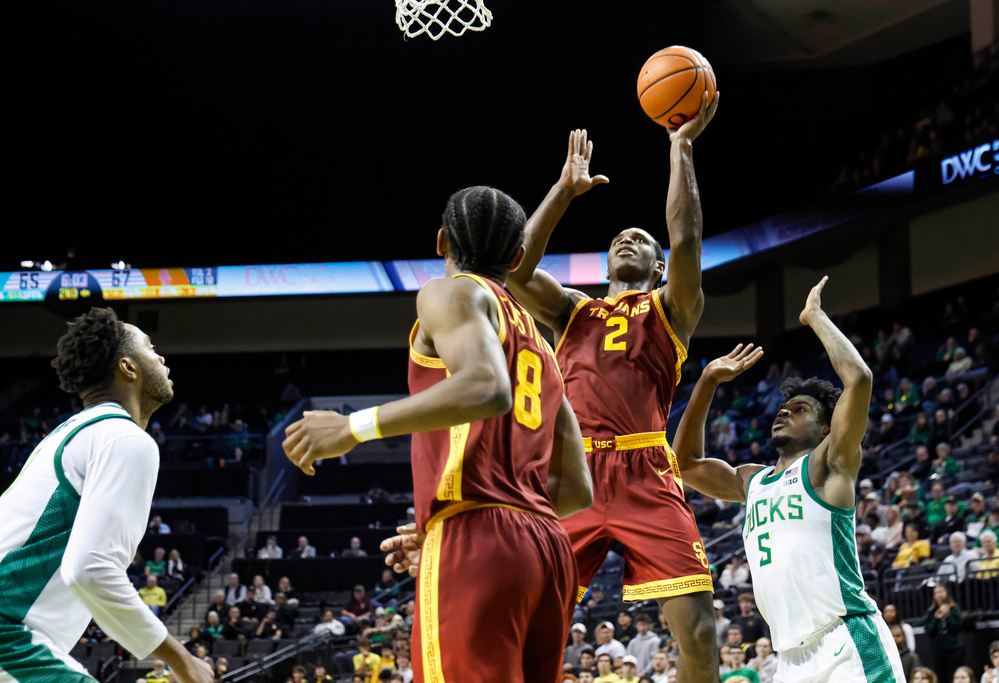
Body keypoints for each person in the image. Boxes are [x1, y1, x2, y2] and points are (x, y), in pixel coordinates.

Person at [284, 185, 593, 682]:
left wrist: (352, 428)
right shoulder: (542, 348)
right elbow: (578, 489)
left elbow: (488, 387)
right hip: (549, 549)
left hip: (478, 539)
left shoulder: (450, 290)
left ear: (441, 243)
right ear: (517, 257)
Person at [505, 101, 720, 683]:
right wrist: (563, 191)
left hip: (647, 470)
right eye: (620, 237)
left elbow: (688, 233)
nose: (628, 239)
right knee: (521, 626)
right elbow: (516, 270)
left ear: (658, 266)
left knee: (701, 631)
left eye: (641, 239)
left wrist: (681, 149)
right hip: (571, 475)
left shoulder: (672, 307)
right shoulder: (574, 309)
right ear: (605, 261)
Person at [670, 279, 905, 682]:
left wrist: (815, 317)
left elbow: (859, 379)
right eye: (783, 407)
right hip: (789, 659)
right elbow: (685, 464)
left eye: (799, 409)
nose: (783, 412)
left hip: (846, 640)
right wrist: (706, 382)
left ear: (827, 427)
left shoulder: (828, 465)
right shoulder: (753, 482)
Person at [0, 308, 212, 683]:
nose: (162, 358)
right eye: (150, 348)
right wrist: (181, 659)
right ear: (128, 368)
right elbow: (89, 569)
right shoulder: (124, 438)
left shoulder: (68, 435)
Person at [923, 583, 964, 683]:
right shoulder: (931, 611)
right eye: (936, 593)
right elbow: (928, 630)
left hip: (954, 648)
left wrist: (948, 615)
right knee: (941, 676)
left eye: (941, 592)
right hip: (938, 650)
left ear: (947, 593)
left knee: (955, 674)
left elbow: (958, 627)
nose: (939, 595)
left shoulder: (954, 609)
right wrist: (936, 618)